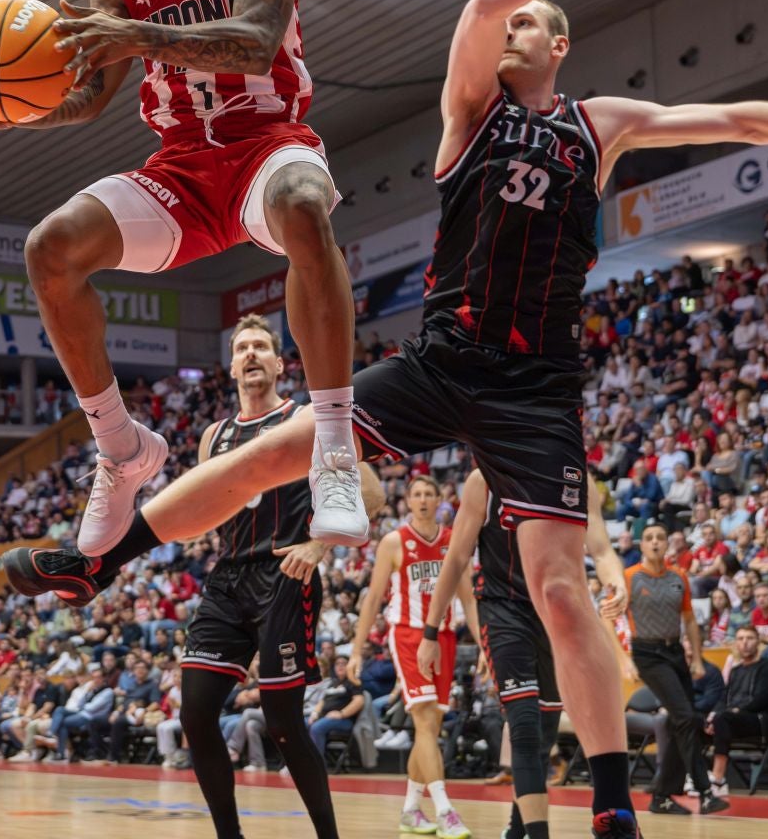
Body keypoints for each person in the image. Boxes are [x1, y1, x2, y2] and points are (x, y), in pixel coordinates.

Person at [4, 0, 768, 839]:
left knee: (559, 587)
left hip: (536, 388)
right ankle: (99, 565)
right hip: (443, 359)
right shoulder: (470, 104)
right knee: (270, 455)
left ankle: (613, 802)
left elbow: (737, 115)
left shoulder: (600, 127)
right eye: (515, 17)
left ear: (561, 46)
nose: (516, 22)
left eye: (534, 22)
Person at [0, 0, 368, 550]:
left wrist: (137, 34)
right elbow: (87, 98)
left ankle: (333, 443)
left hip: (265, 146)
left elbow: (257, 39)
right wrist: (14, 105)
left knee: (307, 203)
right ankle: (120, 448)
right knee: (50, 248)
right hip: (179, 170)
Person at [178, 314, 383, 839]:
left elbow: (374, 493)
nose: (250, 354)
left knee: (284, 723)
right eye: (241, 347)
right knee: (196, 714)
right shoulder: (213, 437)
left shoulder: (307, 419)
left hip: (285, 576)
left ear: (278, 362)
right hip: (227, 581)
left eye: (260, 347)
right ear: (230, 366)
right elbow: (203, 509)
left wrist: (318, 545)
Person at [423, 470, 636, 839]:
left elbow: (601, 549)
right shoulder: (484, 480)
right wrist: (430, 631)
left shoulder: (574, 477)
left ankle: (517, 827)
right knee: (522, 726)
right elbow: (456, 558)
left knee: (545, 734)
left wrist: (616, 579)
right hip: (503, 610)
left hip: (557, 612)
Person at [349, 476, 480, 838]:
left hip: (446, 636)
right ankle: (444, 809)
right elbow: (372, 600)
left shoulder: (454, 541)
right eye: (416, 494)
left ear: (439, 499)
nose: (423, 500)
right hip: (408, 635)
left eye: (429, 494)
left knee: (430, 728)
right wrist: (358, 649)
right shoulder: (394, 542)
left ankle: (410, 810)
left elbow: (468, 598)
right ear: (407, 500)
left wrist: (484, 644)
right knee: (424, 722)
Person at [614, 524, 725, 817]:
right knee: (686, 717)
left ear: (668, 545)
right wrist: (624, 659)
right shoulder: (629, 577)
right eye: (648, 538)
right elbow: (608, 616)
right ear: (642, 545)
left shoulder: (680, 577)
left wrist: (698, 659)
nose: (654, 542)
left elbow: (689, 620)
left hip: (675, 651)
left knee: (685, 722)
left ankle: (662, 796)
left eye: (660, 538)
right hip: (647, 653)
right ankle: (705, 791)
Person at [706, 626, 768, 791]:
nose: (745, 643)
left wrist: (735, 712)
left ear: (758, 642)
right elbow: (723, 699)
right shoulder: (735, 670)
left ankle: (718, 778)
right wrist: (712, 717)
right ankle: (696, 776)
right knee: (696, 722)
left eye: (750, 638)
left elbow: (762, 699)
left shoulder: (767, 666)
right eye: (740, 639)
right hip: (731, 720)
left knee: (723, 719)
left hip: (760, 720)